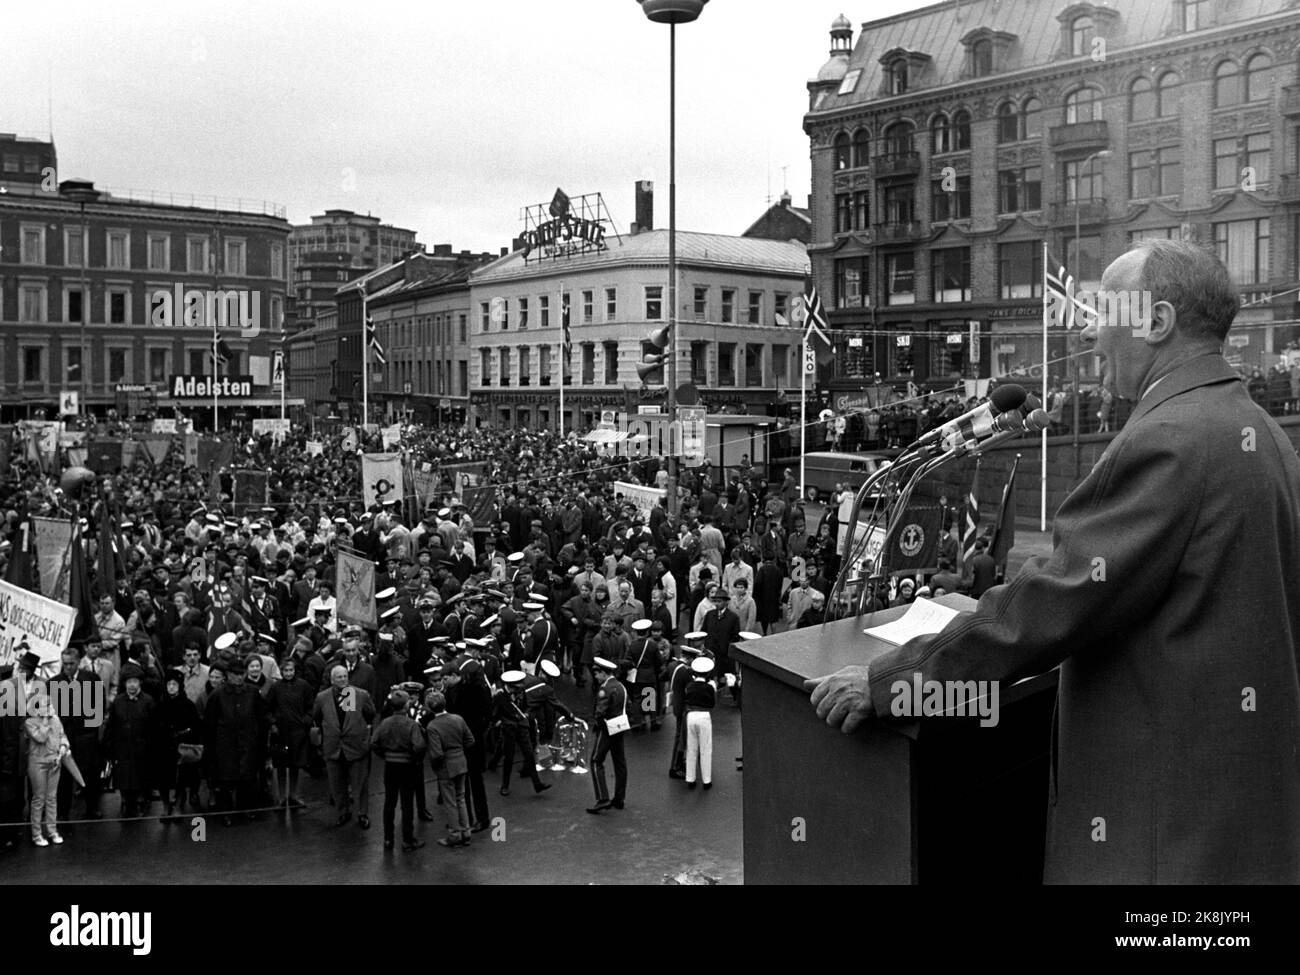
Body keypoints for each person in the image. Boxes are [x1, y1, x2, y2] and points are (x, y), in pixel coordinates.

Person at [807, 239, 1300, 884]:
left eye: (1104, 314)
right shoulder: (1265, 435)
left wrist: (891, 681)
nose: (1093, 338)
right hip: (1235, 829)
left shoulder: (1168, 442)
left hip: (1157, 847)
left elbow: (1044, 609)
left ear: (1156, 322)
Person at [204, 656, 268, 825]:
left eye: (241, 674)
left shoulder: (253, 693)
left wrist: (259, 743)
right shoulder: (217, 695)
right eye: (235, 674)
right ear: (228, 675)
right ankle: (226, 812)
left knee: (247, 779)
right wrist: (211, 749)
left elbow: (261, 719)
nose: (238, 677)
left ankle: (245, 809)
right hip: (225, 745)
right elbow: (209, 724)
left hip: (247, 743)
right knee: (225, 780)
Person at [312, 664, 377, 830]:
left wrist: (365, 735)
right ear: (332, 679)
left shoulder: (359, 695)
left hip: (356, 747)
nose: (342, 679)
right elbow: (317, 718)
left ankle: (362, 814)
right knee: (337, 784)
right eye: (339, 677)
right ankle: (343, 812)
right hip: (333, 748)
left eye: (344, 676)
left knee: (360, 783)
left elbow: (370, 714)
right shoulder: (322, 697)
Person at [370, 687, 426, 852]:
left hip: (390, 766)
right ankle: (408, 840)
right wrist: (414, 760)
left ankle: (388, 839)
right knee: (407, 804)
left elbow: (373, 743)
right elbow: (419, 746)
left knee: (389, 803)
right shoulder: (411, 724)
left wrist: (384, 755)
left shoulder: (385, 723)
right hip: (407, 766)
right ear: (406, 705)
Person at [425, 690, 475, 848]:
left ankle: (454, 834)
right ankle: (466, 831)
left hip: (446, 767)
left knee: (450, 801)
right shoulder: (458, 719)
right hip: (461, 762)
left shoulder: (432, 726)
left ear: (430, 707)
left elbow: (437, 753)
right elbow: (470, 740)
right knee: (461, 798)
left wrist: (435, 765)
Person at [105, 662, 155, 818]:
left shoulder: (148, 701)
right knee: (123, 779)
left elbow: (153, 727)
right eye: (129, 682)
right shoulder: (118, 701)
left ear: (140, 683)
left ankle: (140, 803)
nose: (132, 685)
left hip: (142, 748)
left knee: (140, 777)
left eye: (135, 681)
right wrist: (108, 747)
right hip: (122, 748)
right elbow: (111, 725)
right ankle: (127, 803)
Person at [266, 656, 314, 809]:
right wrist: (273, 724)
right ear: (281, 671)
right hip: (280, 733)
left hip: (298, 733)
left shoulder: (304, 686)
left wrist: (305, 721)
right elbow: (268, 708)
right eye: (285, 670)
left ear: (295, 670)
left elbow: (310, 707)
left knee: (295, 765)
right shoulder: (275, 687)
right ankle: (281, 797)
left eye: (291, 670)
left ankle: (293, 795)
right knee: (281, 765)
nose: (288, 673)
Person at [156, 668, 202, 822]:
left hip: (182, 747)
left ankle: (177, 808)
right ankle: (165, 806)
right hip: (163, 747)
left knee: (182, 779)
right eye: (168, 684)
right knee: (163, 779)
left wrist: (185, 735)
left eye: (174, 684)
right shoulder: (160, 705)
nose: (171, 687)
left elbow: (195, 727)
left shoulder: (188, 705)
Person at [25, 685, 67, 846]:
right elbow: (41, 738)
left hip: (54, 761)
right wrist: (44, 720)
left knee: (51, 798)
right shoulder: (30, 723)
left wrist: (63, 747)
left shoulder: (56, 720)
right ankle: (36, 834)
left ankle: (52, 830)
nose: (50, 708)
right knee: (38, 799)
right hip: (38, 763)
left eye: (50, 704)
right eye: (46, 705)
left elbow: (63, 736)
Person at [586, 656, 628, 814]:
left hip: (606, 729)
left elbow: (599, 712)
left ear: (604, 673)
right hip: (620, 727)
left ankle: (602, 798)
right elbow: (628, 708)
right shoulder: (621, 687)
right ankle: (619, 798)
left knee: (596, 761)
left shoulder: (605, 689)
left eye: (597, 674)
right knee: (620, 763)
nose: (595, 677)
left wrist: (597, 725)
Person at [682, 655, 717, 790]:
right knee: (705, 748)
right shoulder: (709, 687)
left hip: (691, 716)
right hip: (704, 716)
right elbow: (712, 704)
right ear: (707, 673)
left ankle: (690, 779)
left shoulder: (690, 686)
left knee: (691, 748)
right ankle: (706, 780)